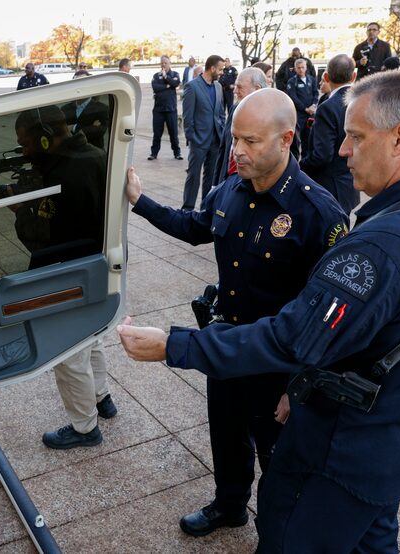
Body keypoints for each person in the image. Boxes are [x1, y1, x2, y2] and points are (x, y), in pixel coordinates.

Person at [117, 70, 400, 552]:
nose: (343, 150)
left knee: (286, 524)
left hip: (329, 432)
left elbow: (300, 335)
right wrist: (141, 202)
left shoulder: (360, 231)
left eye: (355, 136)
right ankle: (230, 502)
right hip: (376, 434)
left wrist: (174, 344)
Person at [125, 88, 348, 538]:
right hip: (226, 347)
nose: (237, 151)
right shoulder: (231, 188)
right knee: (226, 437)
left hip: (278, 363)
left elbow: (330, 317)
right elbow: (193, 227)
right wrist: (139, 200)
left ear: (286, 139)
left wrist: (300, 384)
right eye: (234, 139)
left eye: (250, 141)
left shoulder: (319, 213)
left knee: (277, 455)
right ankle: (230, 505)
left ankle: (278, 526)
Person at [7, 106, 116, 448]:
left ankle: (85, 428)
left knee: (68, 351)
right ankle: (102, 398)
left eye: (26, 144)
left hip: (67, 270)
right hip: (95, 265)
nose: (25, 151)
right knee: (92, 336)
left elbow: (42, 236)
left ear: (44, 137)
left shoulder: (63, 174)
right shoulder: (94, 154)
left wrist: (21, 210)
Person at [301, 54, 360, 214]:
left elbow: (322, 154)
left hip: (330, 186)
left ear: (326, 77)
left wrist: (300, 168)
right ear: (354, 76)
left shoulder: (328, 107)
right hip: (349, 184)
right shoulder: (363, 103)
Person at [181, 55, 226, 211]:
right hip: (198, 140)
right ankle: (187, 209)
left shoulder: (219, 87)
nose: (222, 73)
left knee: (211, 177)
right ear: (212, 68)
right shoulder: (192, 86)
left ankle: (206, 208)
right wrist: (192, 137)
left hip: (216, 140)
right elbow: (187, 117)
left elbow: (221, 112)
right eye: (220, 69)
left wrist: (221, 130)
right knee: (193, 176)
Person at [212, 67, 267, 187]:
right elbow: (223, 149)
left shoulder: (271, 117)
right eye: (235, 86)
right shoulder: (235, 109)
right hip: (226, 182)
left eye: (240, 87)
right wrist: (215, 184)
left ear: (257, 89)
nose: (235, 91)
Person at [61, 70, 110, 149]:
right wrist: (90, 127)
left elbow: (99, 132)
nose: (79, 87)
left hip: (94, 155)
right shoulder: (64, 109)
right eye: (76, 83)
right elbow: (61, 134)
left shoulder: (102, 108)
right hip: (70, 155)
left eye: (83, 83)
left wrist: (73, 127)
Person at [149, 55, 183, 161]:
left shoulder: (175, 74)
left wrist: (166, 78)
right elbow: (155, 88)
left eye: (165, 63)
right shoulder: (156, 75)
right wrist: (167, 86)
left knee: (173, 132)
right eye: (162, 63)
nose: (163, 65)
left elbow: (175, 83)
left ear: (169, 64)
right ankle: (153, 153)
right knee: (157, 133)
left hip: (171, 109)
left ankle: (177, 153)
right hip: (158, 110)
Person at [285, 59, 319, 160]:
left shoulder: (311, 79)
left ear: (306, 67)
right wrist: (305, 108)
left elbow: (316, 93)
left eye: (302, 67)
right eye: (298, 68)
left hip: (311, 114)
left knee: (308, 139)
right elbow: (293, 97)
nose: (301, 70)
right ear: (295, 69)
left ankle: (306, 160)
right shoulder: (292, 82)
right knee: (297, 138)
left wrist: (313, 105)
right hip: (300, 114)